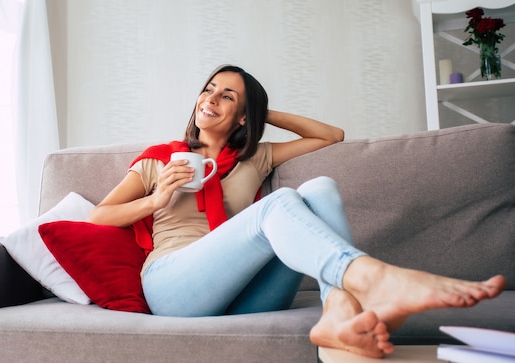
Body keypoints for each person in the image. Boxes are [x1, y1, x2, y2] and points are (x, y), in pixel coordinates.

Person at [87, 64, 505, 358]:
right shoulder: (158, 161)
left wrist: (258, 113)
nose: (210, 98)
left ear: (242, 115)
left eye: (226, 95)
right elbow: (97, 218)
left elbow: (332, 135)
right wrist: (157, 199)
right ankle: (371, 278)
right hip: (173, 286)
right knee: (281, 202)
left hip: (242, 293)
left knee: (320, 187)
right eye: (209, 88)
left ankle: (339, 313)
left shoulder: (255, 157)